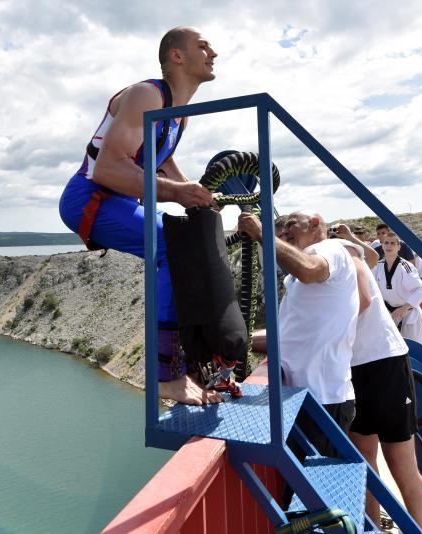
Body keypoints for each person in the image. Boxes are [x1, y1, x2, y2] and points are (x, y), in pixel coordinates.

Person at [58, 27, 220, 405]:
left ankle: (194, 364)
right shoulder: (148, 94)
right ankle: (164, 376)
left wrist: (192, 191)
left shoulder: (178, 116)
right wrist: (179, 193)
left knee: (191, 246)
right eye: (202, 46)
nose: (213, 52)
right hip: (91, 198)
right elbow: (108, 170)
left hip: (119, 201)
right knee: (172, 248)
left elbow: (160, 156)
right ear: (177, 56)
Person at [238, 210, 366, 456]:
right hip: (305, 395)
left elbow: (308, 269)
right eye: (281, 233)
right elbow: (291, 336)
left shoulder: (331, 249)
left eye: (291, 226)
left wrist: (261, 232)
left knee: (315, 490)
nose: (285, 233)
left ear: (316, 223)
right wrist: (237, 342)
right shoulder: (298, 280)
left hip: (323, 398)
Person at [349, 249, 422, 533]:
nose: (287, 234)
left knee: (402, 467)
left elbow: (362, 300)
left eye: (292, 228)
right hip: (351, 368)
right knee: (364, 464)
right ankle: (373, 527)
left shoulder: (343, 255)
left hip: (383, 363)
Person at [372, 231, 422, 344]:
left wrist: (403, 309)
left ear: (399, 247)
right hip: (390, 313)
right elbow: (371, 288)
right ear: (382, 246)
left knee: (414, 348)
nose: (389, 246)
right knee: (391, 348)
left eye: (393, 243)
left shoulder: (405, 266)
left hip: (408, 314)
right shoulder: (378, 266)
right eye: (386, 243)